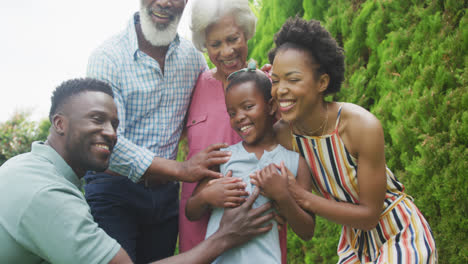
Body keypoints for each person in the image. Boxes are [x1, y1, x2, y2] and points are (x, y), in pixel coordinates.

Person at [0, 78, 276, 264]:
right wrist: (225, 237)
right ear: (60, 123)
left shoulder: (28, 167)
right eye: (97, 119)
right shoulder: (47, 194)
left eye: (115, 124)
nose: (110, 133)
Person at [252, 17, 438, 263]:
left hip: (398, 231)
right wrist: (260, 87)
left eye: (293, 79)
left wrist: (301, 196)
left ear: (322, 82)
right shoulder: (285, 135)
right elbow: (246, 124)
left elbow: (371, 215)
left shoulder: (360, 126)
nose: (281, 89)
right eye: (276, 81)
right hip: (355, 243)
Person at [85, 0, 231, 263]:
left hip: (165, 198)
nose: (164, 2)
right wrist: (182, 170)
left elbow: (216, 94)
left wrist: (261, 80)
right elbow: (105, 142)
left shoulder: (192, 58)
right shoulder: (107, 58)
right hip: (114, 191)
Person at [179, 1, 289, 262]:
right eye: (215, 44)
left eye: (233, 39)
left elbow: (292, 144)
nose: (226, 51)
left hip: (256, 223)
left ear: (246, 33)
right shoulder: (194, 86)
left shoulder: (267, 84)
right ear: (204, 45)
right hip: (199, 221)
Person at [186, 65, 315, 263]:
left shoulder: (295, 163)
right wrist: (207, 196)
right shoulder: (223, 158)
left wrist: (283, 196)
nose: (239, 117)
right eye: (232, 113)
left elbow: (307, 231)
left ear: (271, 106)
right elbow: (191, 211)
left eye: (248, 107)